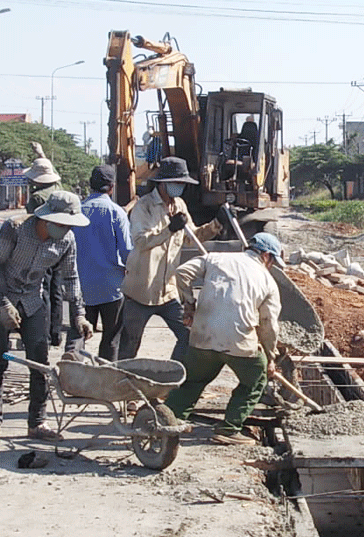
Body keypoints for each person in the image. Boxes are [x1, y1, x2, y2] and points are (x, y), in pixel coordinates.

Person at [0, 191, 93, 441]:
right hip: (0, 295)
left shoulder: (67, 240)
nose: (66, 229)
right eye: (61, 224)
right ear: (46, 219)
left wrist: (79, 315)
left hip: (32, 300)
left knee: (39, 362)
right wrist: (4, 304)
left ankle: (37, 422)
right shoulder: (15, 229)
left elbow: (70, 277)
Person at [165, 232, 284, 446]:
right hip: (238, 341)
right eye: (273, 261)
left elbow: (182, 272)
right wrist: (270, 357)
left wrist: (189, 304)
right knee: (256, 379)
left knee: (194, 379)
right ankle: (229, 429)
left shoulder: (215, 258)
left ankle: (169, 419)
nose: (271, 266)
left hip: (202, 335)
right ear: (266, 256)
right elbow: (269, 325)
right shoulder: (268, 281)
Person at [119, 157, 221, 361]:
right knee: (129, 345)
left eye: (183, 184)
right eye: (177, 183)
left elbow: (192, 238)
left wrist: (216, 225)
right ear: (163, 183)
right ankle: (122, 383)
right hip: (141, 291)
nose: (180, 187)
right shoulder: (145, 206)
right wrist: (169, 229)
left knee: (188, 336)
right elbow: (141, 241)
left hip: (168, 290)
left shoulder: (180, 205)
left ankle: (171, 377)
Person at [65, 165, 132, 360]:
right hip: (111, 287)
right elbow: (127, 250)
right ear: (111, 187)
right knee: (111, 338)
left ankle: (72, 369)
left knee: (78, 334)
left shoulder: (77, 212)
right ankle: (106, 377)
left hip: (80, 286)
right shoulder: (116, 212)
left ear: (90, 185)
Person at [23, 155, 66, 347]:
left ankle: (45, 335)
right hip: (62, 244)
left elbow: (33, 223)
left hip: (43, 246)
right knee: (57, 290)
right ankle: (56, 333)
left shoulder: (37, 197)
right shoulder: (59, 190)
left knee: (44, 292)